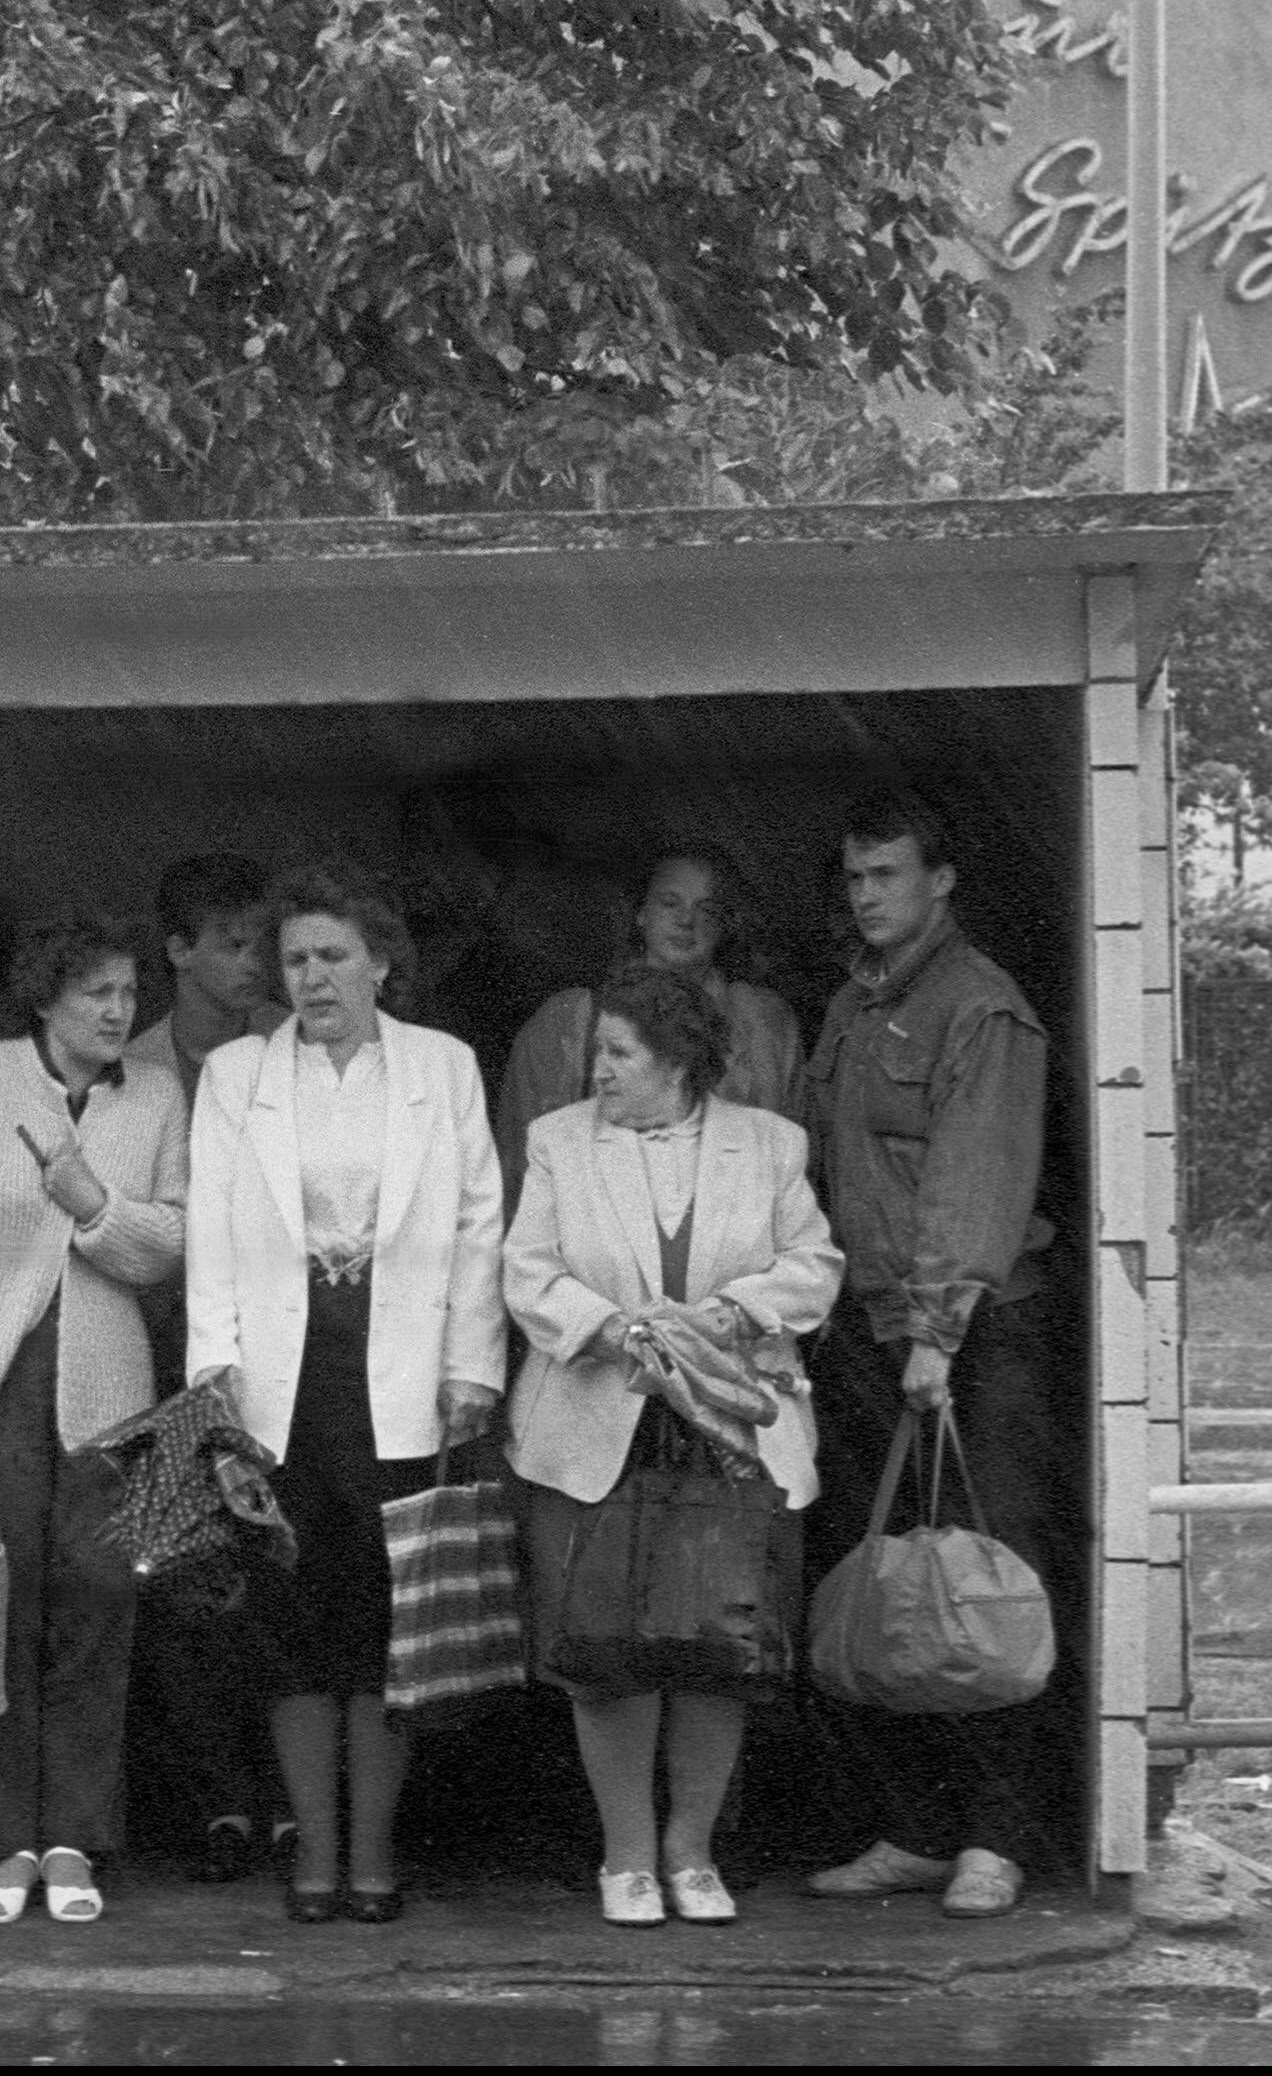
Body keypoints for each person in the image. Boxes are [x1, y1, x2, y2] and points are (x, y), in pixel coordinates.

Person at [183, 863, 508, 1924]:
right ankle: (313, 1854)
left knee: (382, 1627)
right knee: (289, 1625)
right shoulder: (237, 1075)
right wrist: (213, 1370)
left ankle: (371, 1852)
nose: (313, 977)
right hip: (280, 1380)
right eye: (295, 960)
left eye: (333, 955)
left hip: (400, 1370)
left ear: (380, 964)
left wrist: (471, 1363)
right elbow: (211, 1225)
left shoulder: (441, 1066)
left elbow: (477, 1221)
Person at [505, 966, 843, 1928]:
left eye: (619, 1052)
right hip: (598, 1423)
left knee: (714, 1647)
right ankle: (626, 1856)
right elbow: (528, 1273)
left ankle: (692, 1852)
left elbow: (815, 1265)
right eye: (598, 1051)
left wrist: (734, 1313)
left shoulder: (770, 1143)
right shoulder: (558, 1141)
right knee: (607, 1648)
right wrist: (614, 1329)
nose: (598, 1070)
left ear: (679, 1059)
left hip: (728, 1431)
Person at [788, 790, 1073, 1921]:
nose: (866, 896)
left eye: (888, 874)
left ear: (940, 881)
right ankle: (913, 1828)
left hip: (967, 1334)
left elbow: (976, 1174)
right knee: (889, 1586)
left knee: (982, 1586)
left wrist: (937, 1334)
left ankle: (998, 1839)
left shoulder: (980, 1007)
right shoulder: (854, 1003)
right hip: (867, 1324)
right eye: (854, 877)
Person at [0, 913, 193, 1926]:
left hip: (111, 1399)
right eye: (97, 992)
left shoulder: (156, 1093)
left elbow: (171, 1245)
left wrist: (93, 1204)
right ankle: (4, 1840)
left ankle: (73, 1839)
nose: (119, 1010)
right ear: (46, 997)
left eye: (129, 992)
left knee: (99, 1604)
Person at [131, 852, 288, 1886]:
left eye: (260, 941)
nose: (254, 963)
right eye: (231, 943)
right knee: (182, 1582)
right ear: (178, 949)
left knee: (279, 1573)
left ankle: (286, 1798)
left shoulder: (287, 1050)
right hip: (157, 1353)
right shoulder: (133, 1065)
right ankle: (215, 1800)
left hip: (273, 1351)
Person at [494, 843, 806, 1189]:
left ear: (724, 923)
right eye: (669, 903)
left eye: (706, 909)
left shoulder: (763, 1022)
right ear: (641, 913)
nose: (686, 921)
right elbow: (524, 1163)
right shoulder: (570, 1021)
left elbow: (796, 1161)